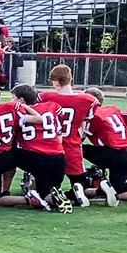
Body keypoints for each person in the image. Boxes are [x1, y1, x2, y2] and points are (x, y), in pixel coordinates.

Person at [0, 84, 45, 212]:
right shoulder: (11, 107)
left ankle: (25, 199)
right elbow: (39, 119)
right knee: (11, 166)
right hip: (10, 155)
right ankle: (6, 190)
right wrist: (23, 105)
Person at [38, 64, 99, 207]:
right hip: (72, 143)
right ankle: (77, 190)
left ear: (56, 82)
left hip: (51, 145)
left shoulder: (46, 97)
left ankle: (48, 195)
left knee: (47, 183)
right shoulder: (87, 100)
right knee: (78, 179)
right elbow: (84, 125)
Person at [10, 84, 72, 212]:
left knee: (6, 154)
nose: (12, 101)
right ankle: (69, 196)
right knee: (51, 188)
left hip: (36, 157)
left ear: (21, 100)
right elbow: (59, 134)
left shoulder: (19, 110)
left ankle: (2, 190)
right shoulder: (52, 107)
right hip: (59, 157)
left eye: (13, 98)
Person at [79, 88, 127, 207]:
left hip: (111, 154)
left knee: (76, 149)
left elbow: (81, 137)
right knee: (117, 190)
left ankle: (81, 181)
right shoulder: (113, 109)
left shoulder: (94, 116)